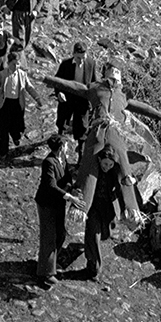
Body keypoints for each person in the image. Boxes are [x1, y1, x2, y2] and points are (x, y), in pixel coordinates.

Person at [34, 134, 83, 287]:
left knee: (60, 234)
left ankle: (51, 263)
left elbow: (67, 176)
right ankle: (46, 273)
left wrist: (71, 187)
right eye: (66, 145)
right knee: (49, 236)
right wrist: (69, 196)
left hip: (58, 203)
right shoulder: (48, 162)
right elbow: (51, 185)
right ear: (61, 147)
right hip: (48, 204)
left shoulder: (62, 159)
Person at [84, 144, 136, 281]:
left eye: (110, 165)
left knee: (103, 234)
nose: (107, 167)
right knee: (93, 235)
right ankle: (94, 267)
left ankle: (93, 251)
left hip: (108, 209)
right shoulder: (93, 170)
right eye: (105, 164)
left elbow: (122, 188)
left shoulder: (115, 172)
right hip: (94, 207)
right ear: (99, 160)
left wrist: (127, 207)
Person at [0, 51, 43, 159]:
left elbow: (29, 87)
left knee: (16, 125)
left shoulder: (22, 75)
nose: (16, 66)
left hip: (17, 104)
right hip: (4, 104)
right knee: (2, 128)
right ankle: (3, 151)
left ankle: (16, 136)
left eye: (18, 63)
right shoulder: (2, 74)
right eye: (14, 63)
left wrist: (37, 98)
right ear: (8, 63)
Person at [54, 41, 96, 160]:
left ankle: (81, 156)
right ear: (73, 54)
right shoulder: (65, 64)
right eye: (78, 58)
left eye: (83, 57)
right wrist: (59, 93)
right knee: (62, 122)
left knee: (82, 126)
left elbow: (93, 82)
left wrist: (93, 100)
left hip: (82, 100)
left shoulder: (91, 63)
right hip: (67, 99)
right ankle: (58, 147)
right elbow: (57, 81)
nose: (81, 61)